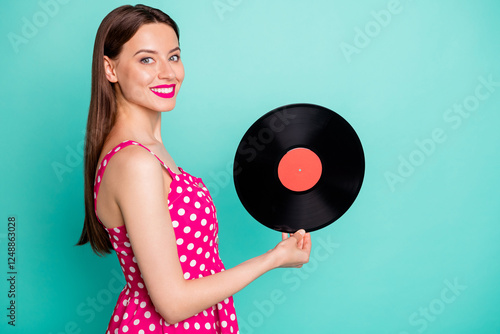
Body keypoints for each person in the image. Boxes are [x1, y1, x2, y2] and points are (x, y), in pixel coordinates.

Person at [76, 4, 312, 334]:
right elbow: (172, 305)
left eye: (173, 56)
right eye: (146, 59)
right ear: (110, 69)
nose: (168, 72)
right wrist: (274, 259)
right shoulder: (135, 163)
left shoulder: (149, 152)